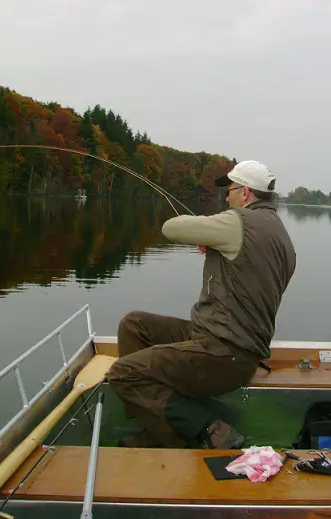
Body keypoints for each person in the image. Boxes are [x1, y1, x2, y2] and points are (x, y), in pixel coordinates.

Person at [108, 160, 296, 448]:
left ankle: (207, 429)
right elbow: (248, 269)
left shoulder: (239, 221)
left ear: (245, 193)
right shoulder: (281, 237)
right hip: (228, 346)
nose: (226, 197)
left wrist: (211, 231)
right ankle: (159, 427)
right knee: (135, 325)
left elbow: (170, 228)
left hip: (223, 353)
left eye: (230, 190)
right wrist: (217, 243)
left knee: (124, 372)